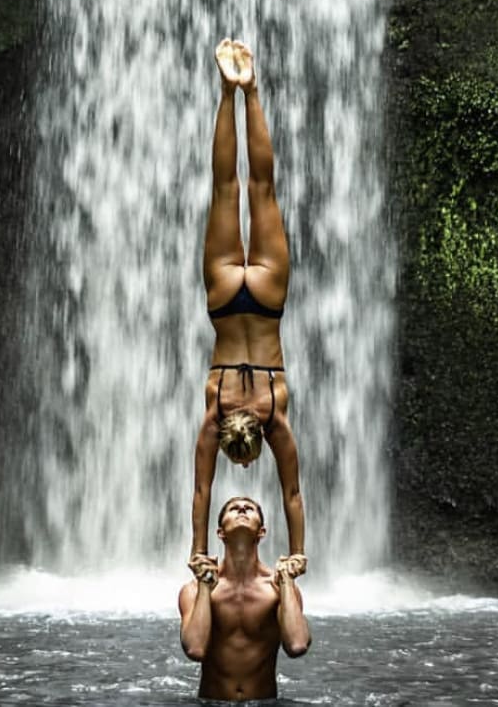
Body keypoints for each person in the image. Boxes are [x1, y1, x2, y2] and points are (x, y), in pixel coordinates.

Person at [189, 39, 306, 576]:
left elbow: (293, 494)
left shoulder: (275, 416)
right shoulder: (215, 415)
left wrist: (298, 550)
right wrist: (197, 549)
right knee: (226, 189)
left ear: (255, 436)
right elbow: (201, 489)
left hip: (265, 302)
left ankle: (249, 89)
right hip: (224, 300)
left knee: (260, 189)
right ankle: (228, 90)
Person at [179, 495, 311, 701]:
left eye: (249, 508)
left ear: (262, 532)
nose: (241, 509)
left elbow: (297, 644)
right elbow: (195, 648)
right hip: (212, 703)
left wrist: (286, 581)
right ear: (220, 533)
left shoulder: (278, 588)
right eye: (233, 509)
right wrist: (205, 586)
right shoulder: (195, 589)